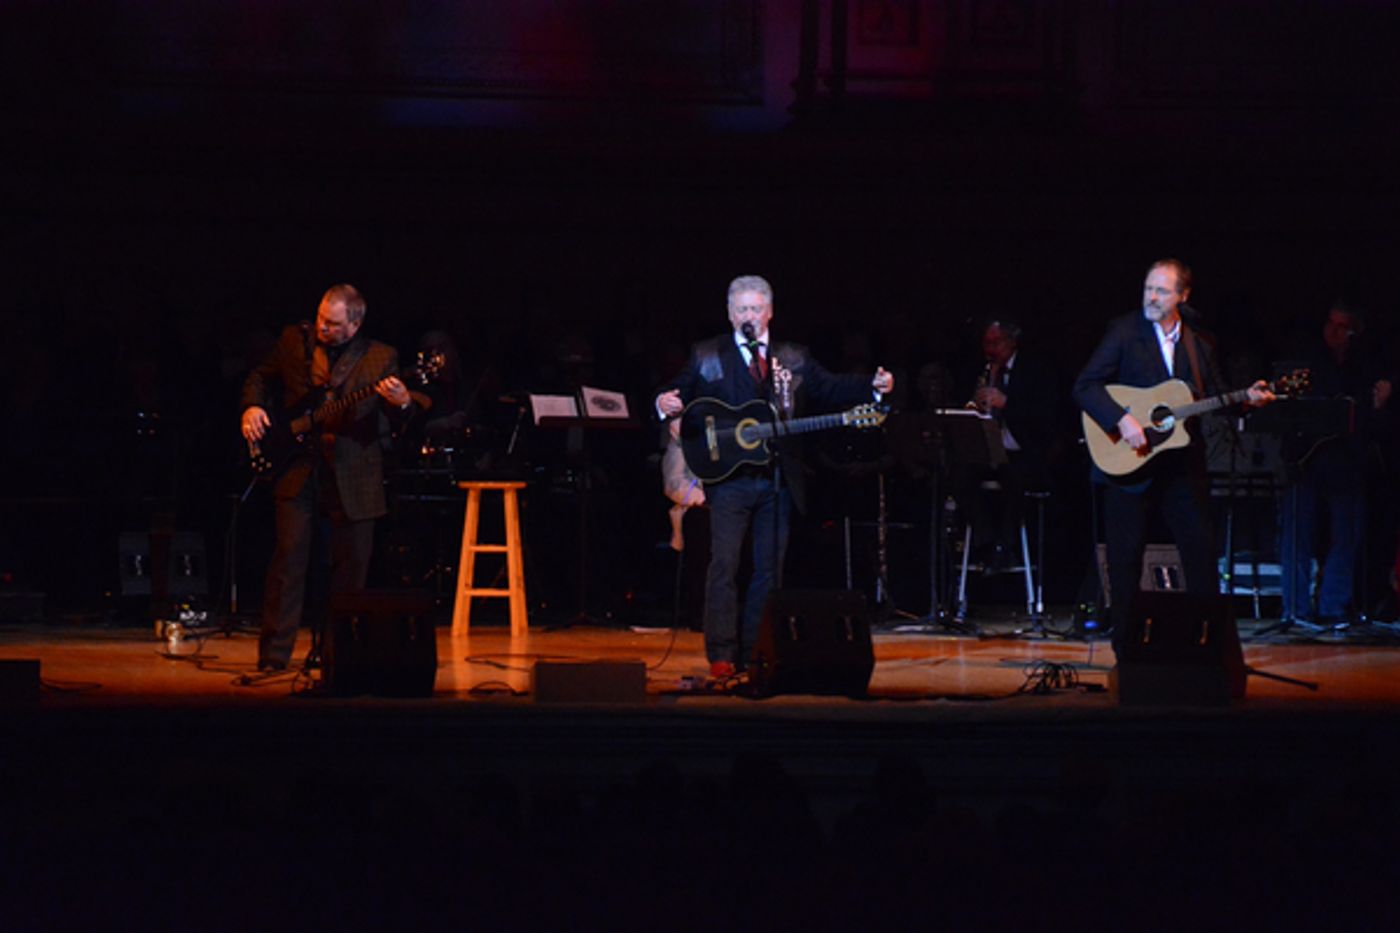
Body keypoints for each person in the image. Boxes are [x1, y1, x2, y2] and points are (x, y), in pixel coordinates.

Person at [655, 275, 894, 678]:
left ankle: (756, 650)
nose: (749, 315)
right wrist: (664, 402)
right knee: (724, 565)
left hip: (777, 477)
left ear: (770, 312)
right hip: (728, 479)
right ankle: (721, 653)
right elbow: (676, 392)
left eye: (756, 308)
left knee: (769, 569)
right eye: (742, 309)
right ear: (731, 314)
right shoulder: (708, 353)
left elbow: (831, 388)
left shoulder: (792, 357)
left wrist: (872, 387)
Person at [1073, 259, 1272, 651]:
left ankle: (1208, 646)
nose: (1152, 296)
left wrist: (1246, 399)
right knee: (1126, 559)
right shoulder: (1124, 331)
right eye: (1148, 288)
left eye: (1162, 291)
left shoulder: (1199, 343)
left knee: (1200, 553)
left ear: (1183, 296)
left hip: (1181, 466)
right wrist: (1122, 420)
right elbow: (1085, 386)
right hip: (1129, 466)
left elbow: (1214, 396)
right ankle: (1126, 650)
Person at [240, 284, 419, 671]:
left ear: (354, 325)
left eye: (333, 324)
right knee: (288, 560)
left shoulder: (380, 358)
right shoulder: (293, 341)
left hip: (354, 472)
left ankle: (341, 655)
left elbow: (400, 422)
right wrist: (252, 406)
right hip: (297, 466)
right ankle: (274, 656)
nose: (322, 328)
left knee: (350, 569)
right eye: (321, 318)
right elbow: (260, 376)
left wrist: (402, 402)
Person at [1279, 303, 1392, 628]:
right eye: (1330, 323)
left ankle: (1333, 607)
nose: (1334, 331)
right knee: (1297, 536)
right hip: (1307, 459)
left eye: (1343, 326)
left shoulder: (1364, 368)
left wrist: (1380, 405)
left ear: (1355, 333)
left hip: (1346, 463)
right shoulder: (1308, 359)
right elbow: (1290, 407)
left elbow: (1370, 425)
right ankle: (1295, 609)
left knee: (1347, 535)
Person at [958, 319, 1061, 571]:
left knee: (1015, 479)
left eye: (995, 343)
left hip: (1023, 453)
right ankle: (987, 541)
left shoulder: (1036, 370)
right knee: (958, 476)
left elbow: (1046, 418)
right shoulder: (982, 370)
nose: (990, 350)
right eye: (986, 343)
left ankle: (1005, 546)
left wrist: (1007, 403)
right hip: (989, 453)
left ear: (1011, 342)